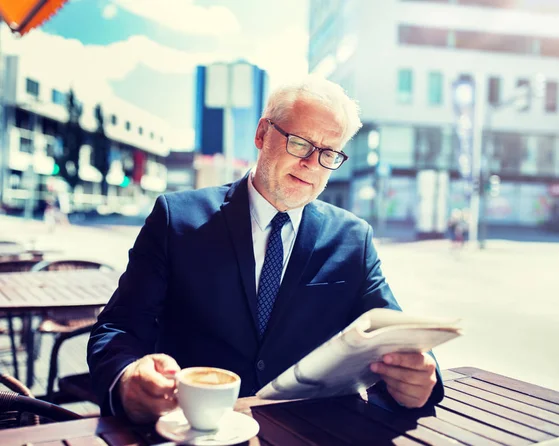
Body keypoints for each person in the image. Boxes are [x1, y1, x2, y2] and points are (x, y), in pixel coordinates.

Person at [87, 76, 444, 423]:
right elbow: (117, 327)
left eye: (328, 153)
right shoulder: (176, 219)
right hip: (196, 429)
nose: (311, 164)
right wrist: (128, 377)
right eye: (301, 143)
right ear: (262, 134)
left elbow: (392, 334)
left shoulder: (354, 239)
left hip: (308, 432)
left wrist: (420, 376)